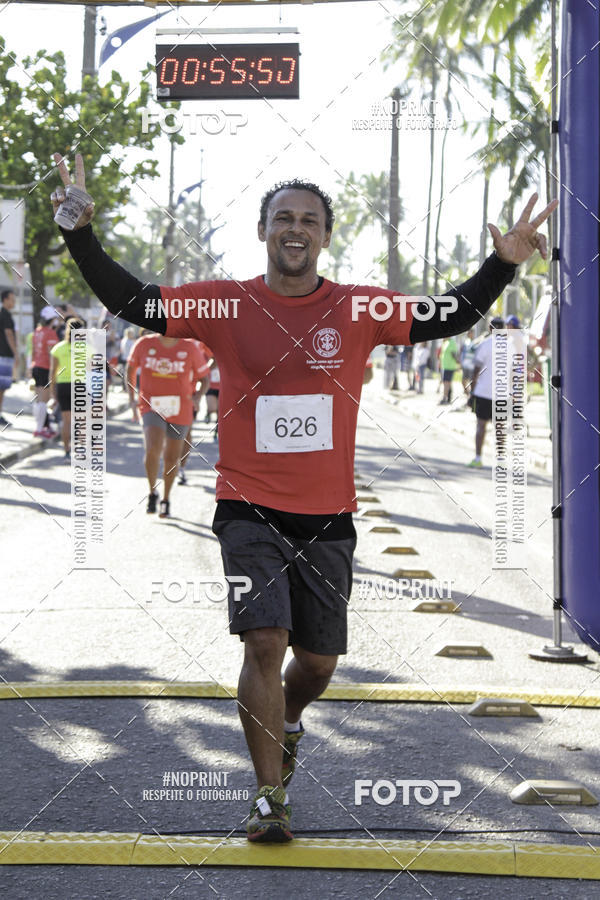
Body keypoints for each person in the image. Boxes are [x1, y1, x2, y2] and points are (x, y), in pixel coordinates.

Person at [52, 151, 556, 842]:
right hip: (246, 505)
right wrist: (80, 234)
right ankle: (268, 800)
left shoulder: (357, 307)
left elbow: (449, 314)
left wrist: (502, 265)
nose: (296, 228)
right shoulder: (225, 302)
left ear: (325, 236)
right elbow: (133, 301)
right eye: (283, 217)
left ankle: (288, 720)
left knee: (316, 663)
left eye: (309, 220)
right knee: (264, 640)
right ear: (264, 231)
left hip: (327, 516)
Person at [126, 333, 209, 517]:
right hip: (151, 406)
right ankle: (152, 491)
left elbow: (205, 377)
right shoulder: (144, 344)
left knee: (172, 458)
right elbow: (130, 368)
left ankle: (165, 498)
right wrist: (131, 397)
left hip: (180, 408)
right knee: (152, 448)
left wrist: (198, 396)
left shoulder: (190, 347)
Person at [468, 316, 506, 467]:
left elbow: (475, 371)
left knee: (481, 426)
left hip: (483, 392)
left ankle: (478, 458)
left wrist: (471, 393)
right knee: (500, 428)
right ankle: (501, 460)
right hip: (502, 394)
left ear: (490, 329)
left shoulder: (484, 345)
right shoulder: (510, 346)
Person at [49, 317, 86, 459]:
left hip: (63, 385)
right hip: (80, 385)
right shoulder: (87, 348)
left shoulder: (58, 348)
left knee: (67, 420)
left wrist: (53, 392)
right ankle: (81, 450)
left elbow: (53, 371)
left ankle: (66, 450)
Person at [178, 341, 211, 485]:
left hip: (188, 397)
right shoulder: (165, 336)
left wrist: (202, 372)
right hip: (162, 396)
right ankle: (170, 461)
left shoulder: (198, 341)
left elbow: (214, 358)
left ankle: (180, 468)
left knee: (186, 434)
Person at [31, 307, 59, 437]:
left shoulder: (37, 331)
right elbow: (51, 353)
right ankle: (39, 428)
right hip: (45, 368)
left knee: (38, 399)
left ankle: (40, 427)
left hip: (36, 366)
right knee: (44, 400)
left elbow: (33, 351)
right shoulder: (50, 333)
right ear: (51, 319)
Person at [0, 289, 17, 427]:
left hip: (4, 354)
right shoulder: (4, 314)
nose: (14, 301)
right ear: (5, 299)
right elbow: (9, 334)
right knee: (1, 387)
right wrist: (16, 353)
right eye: (12, 298)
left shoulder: (4, 314)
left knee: (2, 387)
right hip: (4, 355)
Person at [439, 335, 460, 404]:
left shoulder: (451, 342)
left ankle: (445, 398)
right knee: (447, 383)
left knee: (446, 383)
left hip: (449, 366)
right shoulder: (445, 342)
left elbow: (453, 354)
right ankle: (448, 398)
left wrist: (458, 364)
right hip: (445, 366)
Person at [460, 328, 476, 398]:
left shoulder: (475, 342)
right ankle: (467, 393)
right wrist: (461, 362)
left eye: (470, 332)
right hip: (465, 364)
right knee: (463, 381)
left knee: (471, 381)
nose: (469, 334)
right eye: (468, 332)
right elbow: (462, 352)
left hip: (472, 365)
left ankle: (471, 395)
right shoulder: (466, 342)